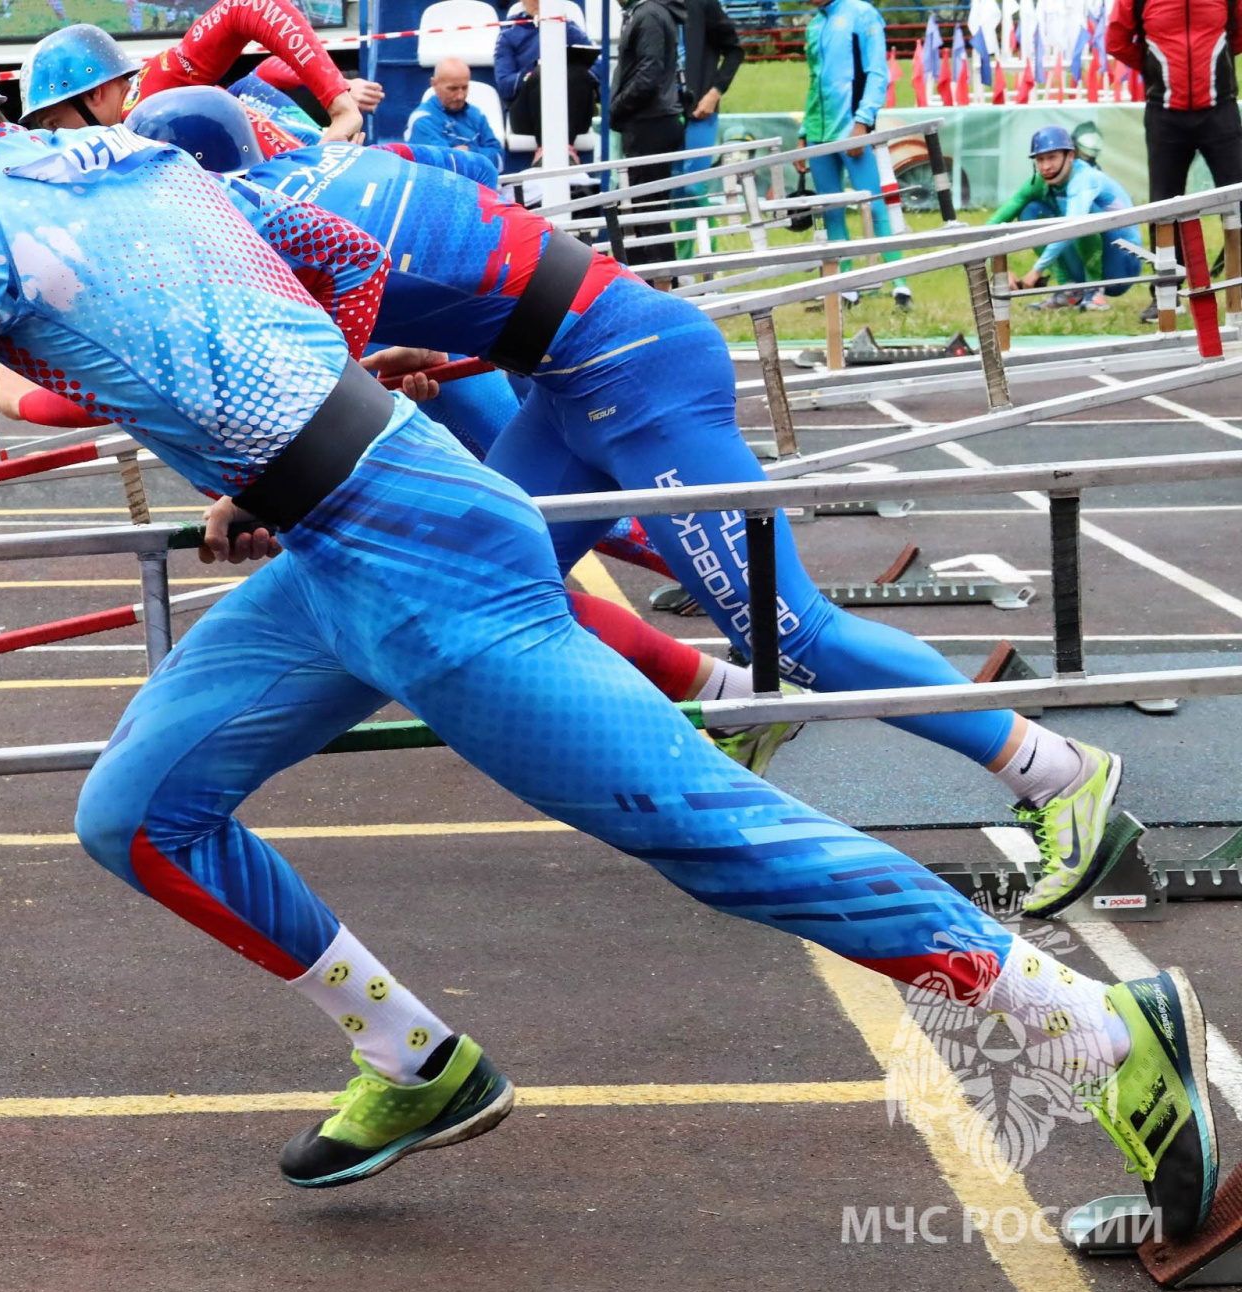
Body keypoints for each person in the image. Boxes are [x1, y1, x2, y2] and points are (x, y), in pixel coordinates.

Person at [0, 12, 1219, 1237]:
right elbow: (329, 253)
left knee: (711, 829)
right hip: (342, 537)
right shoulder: (125, 149)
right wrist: (286, 423)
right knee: (136, 812)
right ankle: (414, 1059)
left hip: (420, 551)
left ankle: (1093, 1031)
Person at [129, 83, 1133, 921]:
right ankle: (735, 703)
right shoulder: (323, 169)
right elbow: (493, 251)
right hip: (579, 370)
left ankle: (1054, 769)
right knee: (486, 574)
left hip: (632, 377)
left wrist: (243, 491)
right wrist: (435, 344)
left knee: (794, 630)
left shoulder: (260, 224)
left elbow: (293, 386)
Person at [18, 2, 380, 144]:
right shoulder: (141, 114)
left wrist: (340, 105)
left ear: (95, 95)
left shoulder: (150, 97)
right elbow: (262, 76)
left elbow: (249, 7)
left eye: (53, 124)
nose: (55, 139)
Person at [1106, 0, 1242, 324]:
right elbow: (1116, 41)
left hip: (1219, 108)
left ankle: (1238, 289)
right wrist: (1155, 67)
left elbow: (1238, 32)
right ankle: (1166, 295)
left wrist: (1217, 64)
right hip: (1165, 113)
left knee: (1239, 200)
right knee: (1164, 208)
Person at [796, 0, 912, 310]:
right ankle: (844, 288)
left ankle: (900, 284)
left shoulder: (861, 13)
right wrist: (804, 134)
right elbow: (813, 81)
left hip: (851, 129)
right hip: (819, 134)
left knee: (874, 205)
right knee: (831, 209)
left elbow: (877, 73)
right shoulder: (814, 24)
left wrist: (862, 123)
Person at [990, 125, 1142, 313]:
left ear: (1070, 156)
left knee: (1081, 220)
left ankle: (1095, 292)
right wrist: (999, 270)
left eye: (1052, 157)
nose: (1046, 167)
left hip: (1123, 266)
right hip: (1088, 255)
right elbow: (993, 225)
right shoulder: (1038, 181)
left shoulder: (1084, 179)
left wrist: (1036, 270)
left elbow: (1071, 228)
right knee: (1030, 211)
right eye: (1040, 159)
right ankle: (1068, 290)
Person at [608, 0, 691, 267]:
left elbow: (649, 75)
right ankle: (655, 284)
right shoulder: (645, 13)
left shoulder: (648, 15)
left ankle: (661, 287)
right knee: (646, 212)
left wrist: (618, 108)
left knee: (649, 213)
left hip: (650, 123)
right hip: (649, 121)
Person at [494, 0, 599, 149]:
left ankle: (560, 149)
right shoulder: (509, 34)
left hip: (573, 111)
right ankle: (554, 149)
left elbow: (597, 69)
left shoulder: (570, 29)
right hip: (527, 116)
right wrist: (533, 70)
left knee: (576, 71)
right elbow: (505, 86)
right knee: (544, 72)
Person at [405, 57, 505, 179]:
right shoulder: (421, 121)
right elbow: (448, 168)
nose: (460, 96)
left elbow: (500, 159)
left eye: (465, 87)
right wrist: (480, 157)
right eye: (452, 89)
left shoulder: (476, 114)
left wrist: (469, 152)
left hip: (485, 189)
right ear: (434, 84)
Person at [677, 0, 745, 179]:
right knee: (667, 190)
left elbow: (734, 51)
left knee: (694, 187)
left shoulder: (704, 4)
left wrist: (715, 93)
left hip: (700, 110)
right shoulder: (651, 6)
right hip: (662, 115)